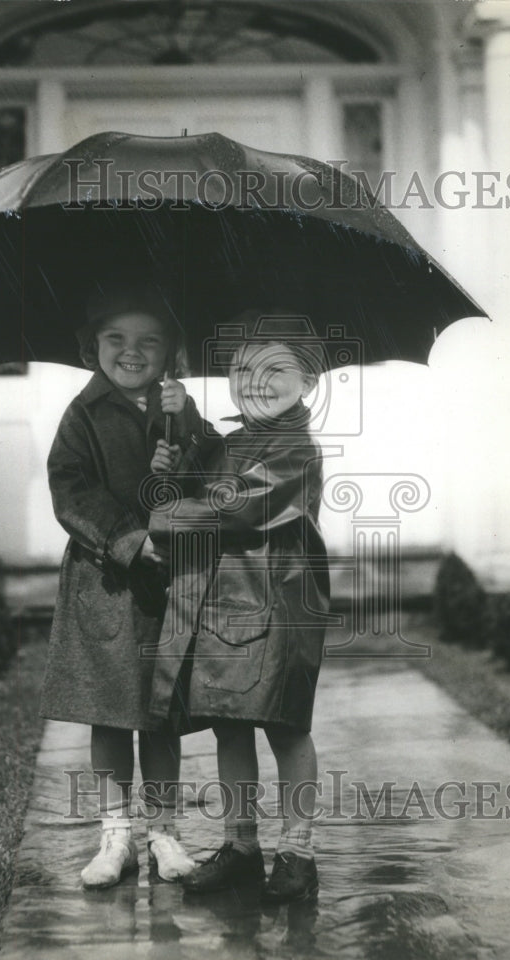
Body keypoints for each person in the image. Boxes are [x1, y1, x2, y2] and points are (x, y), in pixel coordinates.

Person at [148, 315, 332, 903]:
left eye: (275, 369)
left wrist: (165, 521)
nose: (256, 381)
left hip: (281, 602)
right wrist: (176, 455)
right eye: (242, 369)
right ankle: (242, 844)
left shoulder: (296, 448)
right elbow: (204, 474)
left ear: (307, 380)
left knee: (285, 725)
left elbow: (239, 507)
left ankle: (298, 853)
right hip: (228, 603)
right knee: (230, 722)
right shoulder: (235, 440)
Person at [40, 282, 209, 890]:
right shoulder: (81, 415)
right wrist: (129, 540)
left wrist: (184, 431)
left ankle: (163, 832)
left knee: (161, 714)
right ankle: (115, 835)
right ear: (93, 347)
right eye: (116, 339)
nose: (131, 352)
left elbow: (209, 473)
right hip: (105, 581)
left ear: (172, 353)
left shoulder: (179, 412)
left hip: (166, 585)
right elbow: (70, 489)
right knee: (110, 715)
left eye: (149, 341)